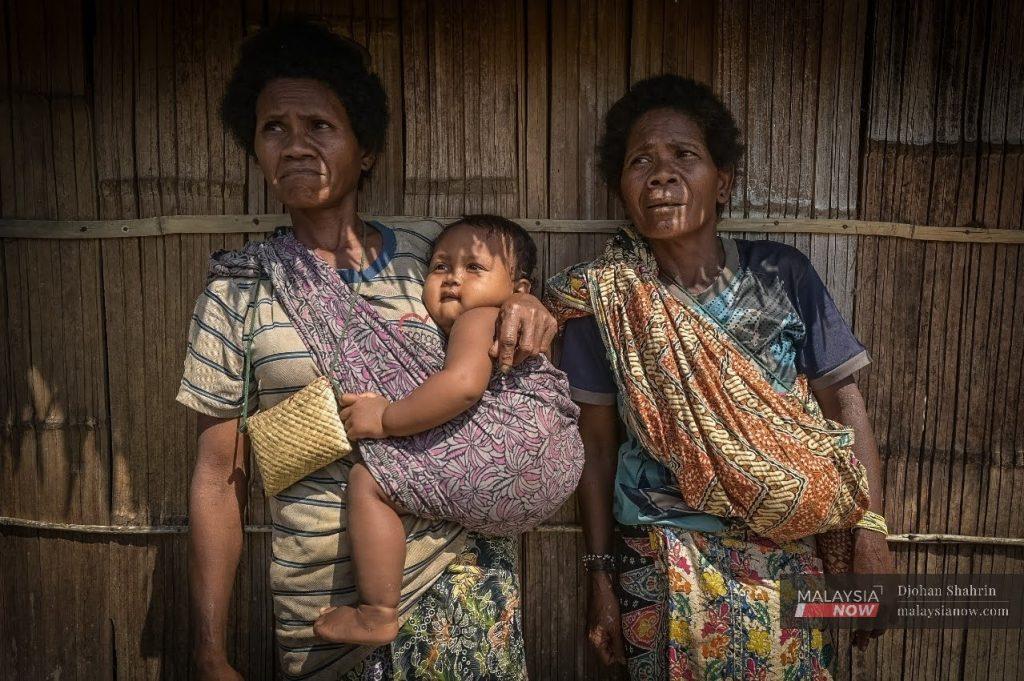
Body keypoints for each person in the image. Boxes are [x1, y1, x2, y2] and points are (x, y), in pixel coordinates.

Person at [179, 21, 555, 680]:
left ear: (367, 149)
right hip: (324, 601)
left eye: (320, 126)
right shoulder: (236, 291)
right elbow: (218, 479)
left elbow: (512, 299)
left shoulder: (435, 254)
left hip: (458, 574)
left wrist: (529, 305)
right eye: (274, 128)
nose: (296, 144)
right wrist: (210, 650)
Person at [546, 74, 894, 679]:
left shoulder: (782, 275)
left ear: (723, 181)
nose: (661, 175)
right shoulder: (605, 301)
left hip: (788, 556)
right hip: (661, 560)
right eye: (640, 161)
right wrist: (601, 580)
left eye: (684, 155)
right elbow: (596, 451)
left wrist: (871, 534)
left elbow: (845, 406)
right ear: (621, 187)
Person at [314, 215, 583, 645]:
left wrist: (385, 418)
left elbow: (462, 387)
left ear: (519, 290)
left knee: (369, 481)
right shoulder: (515, 328)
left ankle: (376, 613)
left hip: (509, 452)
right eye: (440, 266)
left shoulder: (481, 319)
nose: (453, 278)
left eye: (474, 267)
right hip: (557, 470)